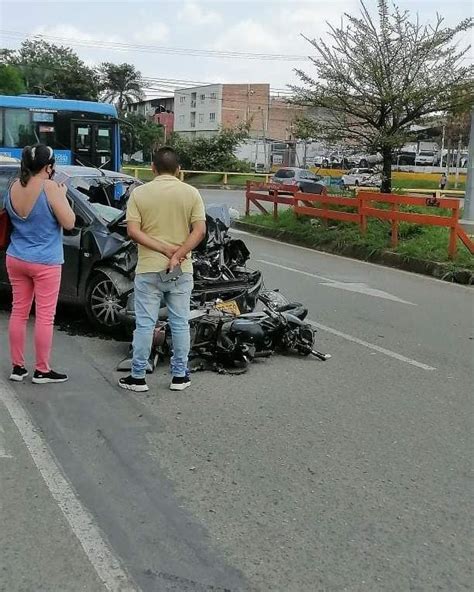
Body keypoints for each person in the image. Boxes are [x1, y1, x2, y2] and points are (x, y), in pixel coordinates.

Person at [119, 147, 206, 393]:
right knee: (180, 323)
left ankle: (137, 377)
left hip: (148, 269)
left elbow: (133, 231)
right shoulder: (191, 193)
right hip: (181, 270)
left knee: (145, 324)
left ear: (153, 168)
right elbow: (199, 231)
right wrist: (177, 254)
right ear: (179, 170)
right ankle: (179, 376)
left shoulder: (140, 194)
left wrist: (164, 250)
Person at [5, 144, 75, 384]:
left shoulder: (14, 186)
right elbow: (69, 222)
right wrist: (62, 196)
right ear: (49, 167)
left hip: (16, 257)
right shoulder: (51, 187)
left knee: (19, 312)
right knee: (45, 316)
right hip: (46, 261)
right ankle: (42, 370)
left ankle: (17, 367)